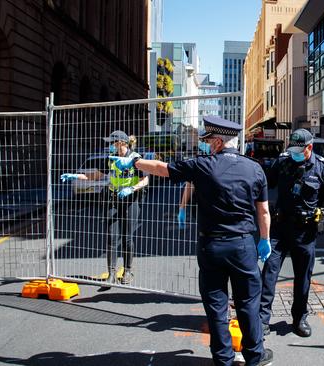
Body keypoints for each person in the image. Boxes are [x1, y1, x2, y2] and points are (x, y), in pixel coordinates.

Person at [108, 116, 273, 366]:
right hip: (243, 245)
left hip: (212, 246)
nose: (207, 145)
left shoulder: (203, 166)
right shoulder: (254, 168)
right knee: (248, 301)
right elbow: (263, 212)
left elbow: (163, 169)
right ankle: (255, 356)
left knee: (216, 305)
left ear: (218, 142)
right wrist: (265, 239)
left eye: (208, 140)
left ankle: (223, 359)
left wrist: (135, 161)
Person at [260, 128, 324, 338]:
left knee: (303, 278)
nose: (294, 153)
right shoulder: (282, 162)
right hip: (279, 228)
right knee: (269, 273)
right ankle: (262, 320)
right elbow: (263, 185)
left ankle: (299, 318)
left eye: (299, 150)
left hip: (305, 232)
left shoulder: (322, 168)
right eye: (292, 149)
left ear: (309, 147)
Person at [60, 130, 148, 289]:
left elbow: (145, 180)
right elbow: (93, 176)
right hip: (112, 199)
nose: (110, 146)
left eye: (112, 143)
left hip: (130, 201)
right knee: (111, 238)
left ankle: (127, 271)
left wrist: (132, 189)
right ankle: (112, 274)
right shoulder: (110, 159)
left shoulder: (135, 158)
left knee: (127, 237)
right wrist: (75, 176)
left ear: (121, 143)